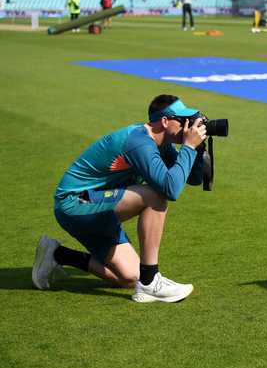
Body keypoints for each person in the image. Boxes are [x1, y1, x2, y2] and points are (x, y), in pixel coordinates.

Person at [32, 95, 208, 303]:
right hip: (75, 202)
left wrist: (198, 150)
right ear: (164, 121)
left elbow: (193, 179)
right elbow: (171, 189)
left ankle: (58, 254)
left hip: (101, 203)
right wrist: (188, 147)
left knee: (129, 277)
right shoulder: (139, 142)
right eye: (182, 120)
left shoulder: (163, 145)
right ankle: (150, 281)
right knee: (155, 196)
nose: (188, 125)